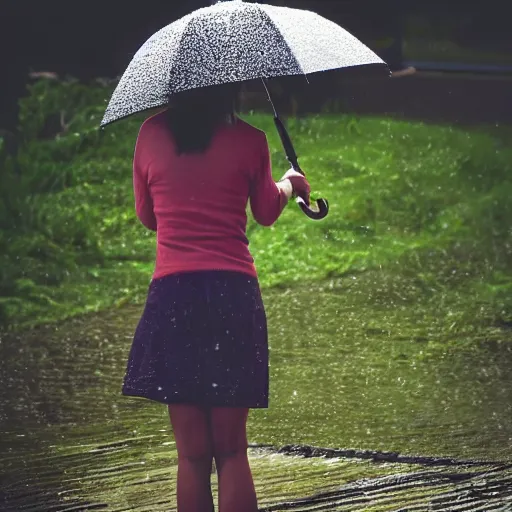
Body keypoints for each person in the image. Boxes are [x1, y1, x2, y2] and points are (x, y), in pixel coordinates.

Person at [121, 82, 310, 512]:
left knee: (191, 454)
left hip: (173, 297)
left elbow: (147, 215)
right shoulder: (250, 139)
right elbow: (264, 211)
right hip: (232, 295)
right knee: (231, 450)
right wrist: (288, 184)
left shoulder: (151, 133)